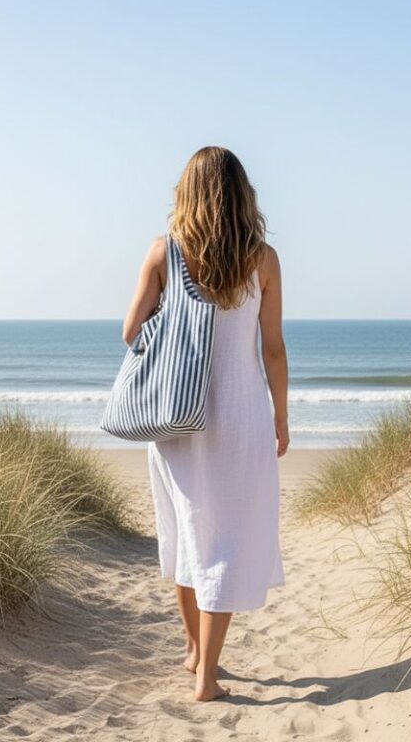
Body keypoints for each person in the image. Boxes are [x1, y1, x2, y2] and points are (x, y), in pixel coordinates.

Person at [121, 146, 289, 701]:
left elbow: (130, 332)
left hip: (175, 415)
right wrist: (281, 418)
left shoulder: (163, 252)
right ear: (242, 193)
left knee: (187, 533)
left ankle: (195, 651)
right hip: (239, 416)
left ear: (186, 193)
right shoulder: (261, 259)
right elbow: (273, 351)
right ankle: (207, 676)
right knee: (227, 540)